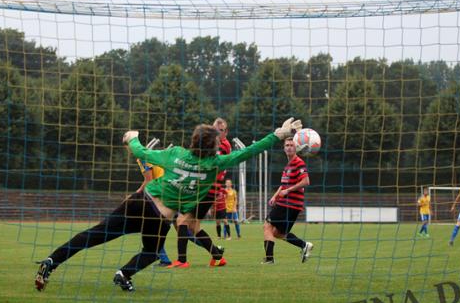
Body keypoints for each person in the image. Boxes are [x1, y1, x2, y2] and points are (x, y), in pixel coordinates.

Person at [35, 118, 301, 292]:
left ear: (191, 141)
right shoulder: (215, 164)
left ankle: (52, 261)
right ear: (215, 148)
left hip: (140, 201)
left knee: (93, 235)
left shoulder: (174, 154)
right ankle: (123, 273)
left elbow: (141, 153)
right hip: (159, 216)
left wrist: (133, 137)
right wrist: (278, 134)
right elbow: (248, 152)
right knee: (151, 252)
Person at [167, 118, 231, 268]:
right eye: (214, 130)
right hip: (203, 189)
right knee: (194, 227)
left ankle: (182, 261)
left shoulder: (223, 146)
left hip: (207, 190)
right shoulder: (214, 145)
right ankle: (217, 256)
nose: (217, 133)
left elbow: (208, 164)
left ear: (226, 132)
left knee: (182, 221)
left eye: (220, 130)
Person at [263, 137, 313, 265]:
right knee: (277, 233)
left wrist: (288, 191)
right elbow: (283, 185)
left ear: (296, 148)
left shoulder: (299, 163)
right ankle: (304, 245)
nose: (289, 147)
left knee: (267, 226)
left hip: (290, 203)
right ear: (284, 148)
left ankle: (269, 260)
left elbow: (306, 181)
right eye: (287, 145)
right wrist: (275, 196)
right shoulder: (288, 166)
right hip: (288, 204)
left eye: (291, 145)